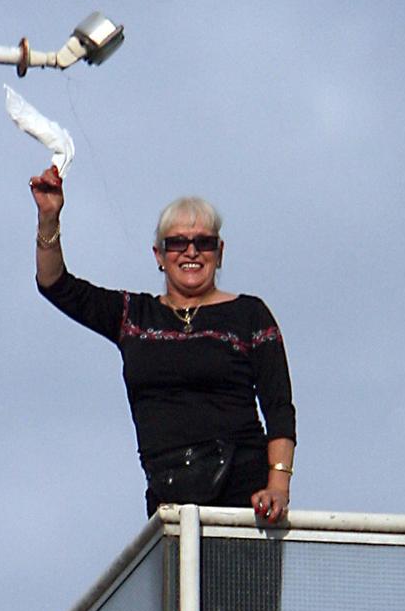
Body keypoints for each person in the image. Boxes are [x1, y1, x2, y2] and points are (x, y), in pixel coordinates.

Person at [29, 164, 296, 520]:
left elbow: (278, 407)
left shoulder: (250, 314)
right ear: (158, 254)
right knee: (177, 577)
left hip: (243, 496)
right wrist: (49, 217)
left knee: (238, 579)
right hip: (169, 496)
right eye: (177, 243)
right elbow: (55, 285)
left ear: (219, 251)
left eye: (203, 242)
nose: (191, 252)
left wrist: (278, 485)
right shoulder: (132, 315)